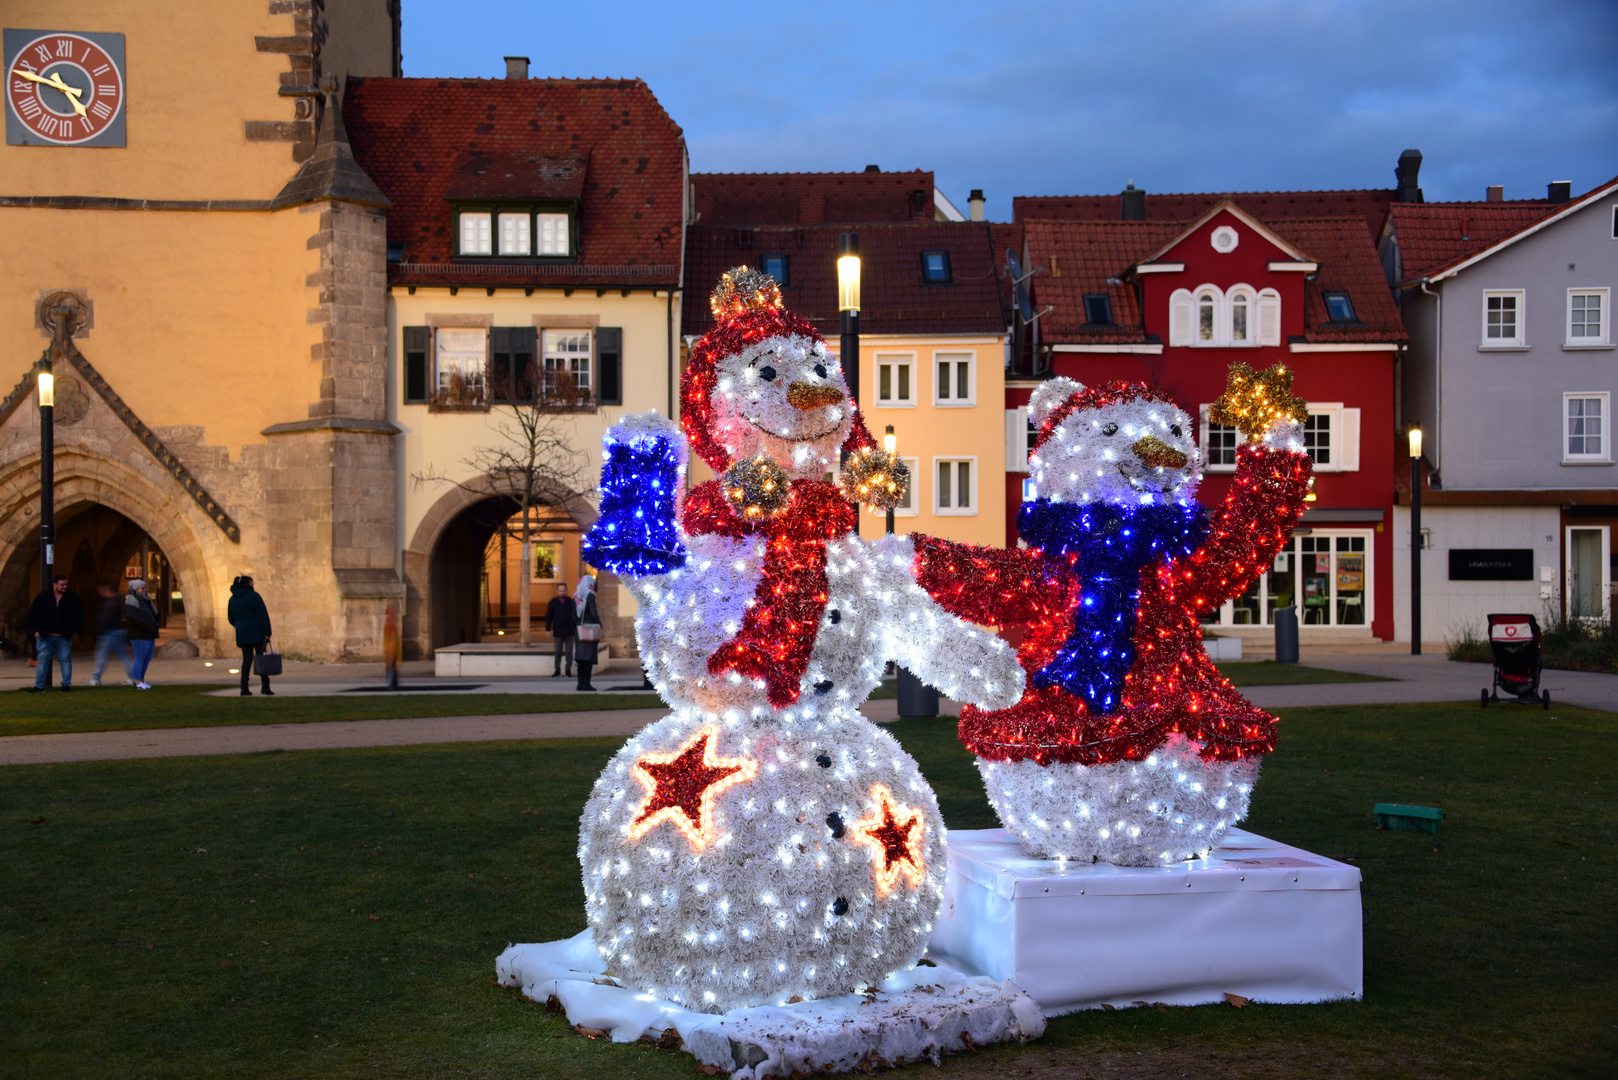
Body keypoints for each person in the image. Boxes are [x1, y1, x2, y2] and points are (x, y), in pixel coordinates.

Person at [27, 573, 83, 692]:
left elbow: (79, 615)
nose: (64, 587)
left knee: (65, 659)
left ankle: (66, 685)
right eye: (62, 585)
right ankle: (39, 686)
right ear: (54, 585)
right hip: (45, 635)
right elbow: (32, 614)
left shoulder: (72, 598)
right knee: (43, 660)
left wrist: (75, 630)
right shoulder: (43, 597)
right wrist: (35, 631)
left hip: (64, 636)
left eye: (66, 584)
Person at [227, 574, 274, 696]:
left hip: (242, 633)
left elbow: (231, 618)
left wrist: (240, 626)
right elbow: (262, 615)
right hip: (257, 632)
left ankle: (244, 687)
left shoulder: (232, 600)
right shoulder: (254, 597)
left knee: (247, 660)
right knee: (261, 659)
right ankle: (265, 685)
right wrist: (267, 632)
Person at [89, 583, 134, 687]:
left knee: (101, 655)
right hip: (116, 631)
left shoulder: (111, 603)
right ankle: (132, 676)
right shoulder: (116, 601)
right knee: (123, 655)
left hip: (109, 632)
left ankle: (96, 677)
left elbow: (106, 618)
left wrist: (99, 629)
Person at [124, 579, 160, 690]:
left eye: (145, 588)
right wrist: (147, 626)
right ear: (136, 589)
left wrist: (154, 624)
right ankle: (138, 681)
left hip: (148, 633)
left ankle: (141, 680)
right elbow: (133, 618)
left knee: (146, 658)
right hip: (139, 634)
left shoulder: (147, 600)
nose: (144, 590)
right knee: (140, 657)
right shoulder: (131, 600)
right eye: (142, 588)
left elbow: (154, 615)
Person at [573, 575, 601, 691]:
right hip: (589, 629)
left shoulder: (577, 595)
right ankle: (586, 683)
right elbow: (593, 612)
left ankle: (580, 683)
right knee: (588, 658)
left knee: (581, 659)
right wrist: (599, 624)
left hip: (579, 629)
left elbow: (574, 613)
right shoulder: (590, 595)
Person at [544, 580, 577, 678]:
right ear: (557, 591)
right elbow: (549, 616)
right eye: (560, 591)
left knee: (569, 652)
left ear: (567, 590)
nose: (562, 592)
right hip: (558, 630)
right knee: (558, 651)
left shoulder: (571, 602)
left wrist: (575, 628)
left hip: (569, 630)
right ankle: (557, 670)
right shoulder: (553, 603)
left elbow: (575, 616)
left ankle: (568, 670)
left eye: (564, 590)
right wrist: (548, 629)